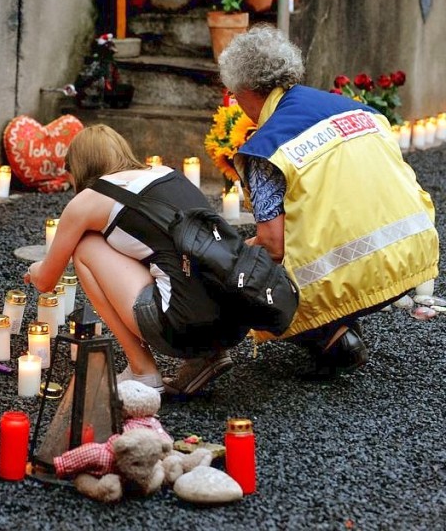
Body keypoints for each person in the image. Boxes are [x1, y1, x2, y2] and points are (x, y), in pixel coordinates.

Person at [218, 25, 439, 379]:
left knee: (238, 267)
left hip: (351, 273)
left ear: (244, 90)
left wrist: (224, 256)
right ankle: (343, 322)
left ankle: (332, 338)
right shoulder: (356, 110)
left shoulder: (268, 145)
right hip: (412, 255)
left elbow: (273, 248)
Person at [24, 124, 248, 395]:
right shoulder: (168, 174)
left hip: (182, 327)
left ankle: (143, 371)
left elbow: (47, 281)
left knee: (84, 246)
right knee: (165, 256)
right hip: (235, 318)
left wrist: (36, 268)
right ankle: (206, 357)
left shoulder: (88, 200)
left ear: (79, 167)